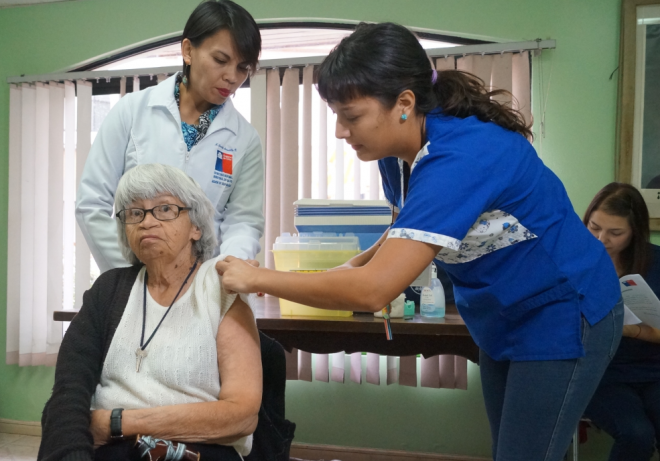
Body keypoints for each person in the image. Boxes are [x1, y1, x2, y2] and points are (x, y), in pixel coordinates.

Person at [217, 22, 623, 461]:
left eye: (350, 116)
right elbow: (409, 227)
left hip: (565, 310)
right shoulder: (401, 153)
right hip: (504, 315)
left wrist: (259, 276)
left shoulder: (461, 157)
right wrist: (349, 266)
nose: (339, 131)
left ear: (404, 103)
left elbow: (375, 290)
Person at [39, 164, 262, 461]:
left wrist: (119, 422)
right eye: (134, 213)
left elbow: (241, 417)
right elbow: (69, 392)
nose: (147, 222)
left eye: (165, 209)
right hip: (112, 452)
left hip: (196, 452)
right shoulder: (108, 290)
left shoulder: (221, 288)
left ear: (195, 227)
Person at [76, 0, 264, 273]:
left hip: (204, 288)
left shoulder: (244, 139)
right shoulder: (131, 112)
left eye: (242, 68)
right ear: (188, 50)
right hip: (135, 281)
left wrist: (217, 278)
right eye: (220, 60)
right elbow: (92, 203)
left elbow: (243, 222)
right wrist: (134, 275)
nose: (232, 77)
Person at [583, 183, 660, 461]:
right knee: (636, 434)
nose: (602, 239)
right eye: (594, 228)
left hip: (653, 370)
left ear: (635, 232)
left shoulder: (656, 263)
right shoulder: (576, 263)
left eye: (616, 233)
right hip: (600, 373)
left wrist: (633, 331)